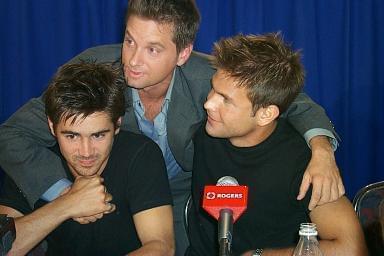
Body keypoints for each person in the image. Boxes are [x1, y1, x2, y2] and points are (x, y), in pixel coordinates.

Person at [0, 0, 344, 254]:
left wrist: (321, 147)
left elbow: (289, 99)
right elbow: (11, 134)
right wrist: (64, 193)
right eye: (130, 40)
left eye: (152, 49)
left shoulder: (209, 79)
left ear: (183, 53)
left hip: (182, 208)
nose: (132, 60)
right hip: (100, 196)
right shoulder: (96, 70)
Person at [187, 33, 367, 256]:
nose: (208, 103)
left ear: (266, 114)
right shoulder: (205, 132)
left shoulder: (302, 163)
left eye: (226, 99)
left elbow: (351, 248)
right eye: (213, 89)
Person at [0, 62, 174, 255]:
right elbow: (4, 247)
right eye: (71, 136)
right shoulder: (32, 161)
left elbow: (161, 248)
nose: (86, 152)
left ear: (117, 124)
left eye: (98, 135)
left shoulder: (140, 155)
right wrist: (67, 204)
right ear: (51, 126)